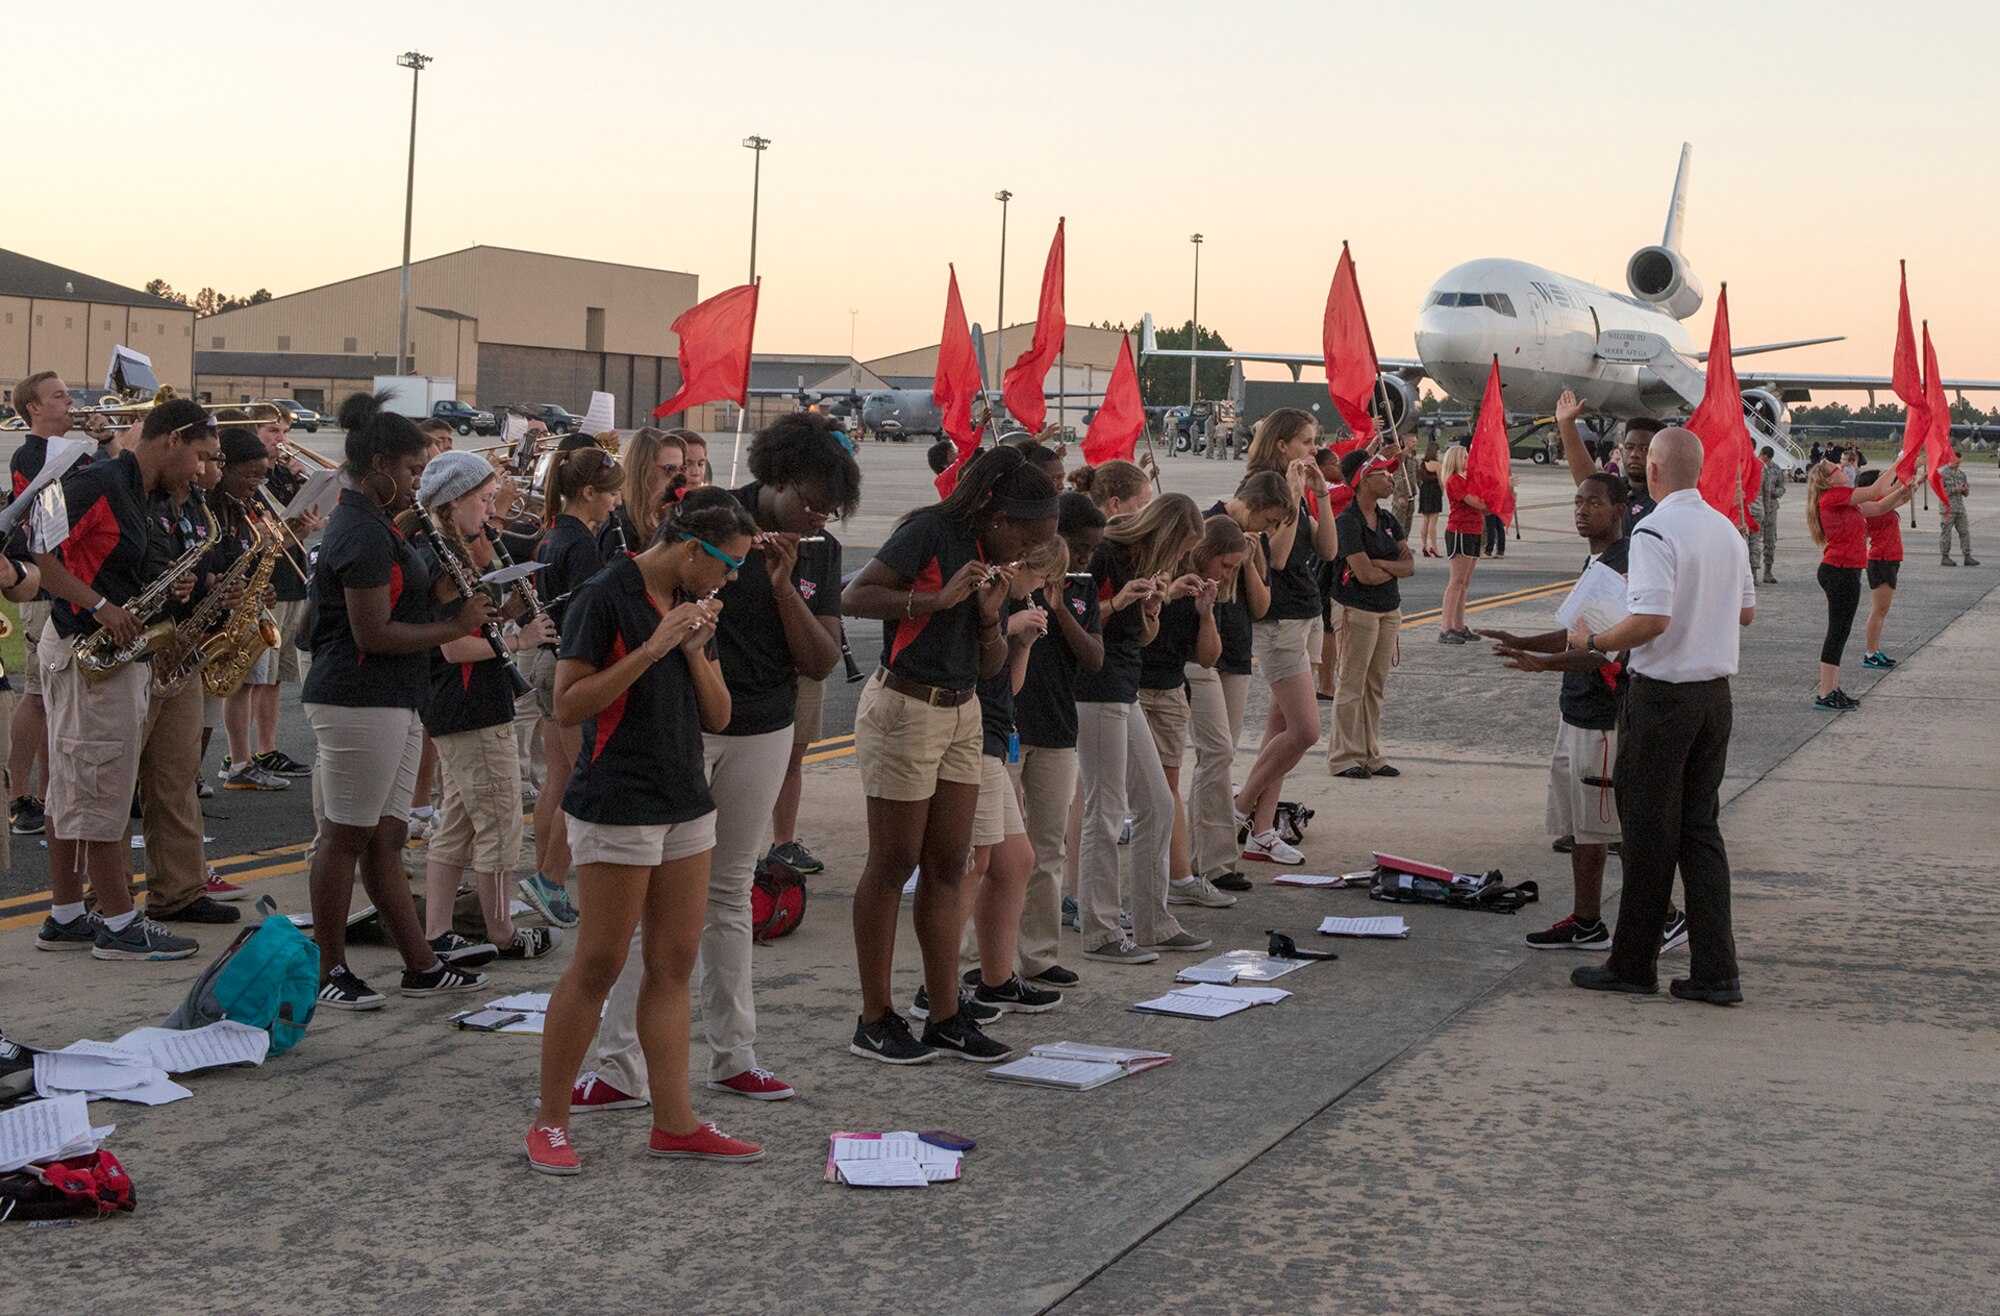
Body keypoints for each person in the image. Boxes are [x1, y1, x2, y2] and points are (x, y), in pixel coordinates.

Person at [574, 413, 857, 1113]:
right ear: (781, 479)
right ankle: (617, 1067)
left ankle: (736, 1056)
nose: (819, 515)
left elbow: (820, 662)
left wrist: (785, 581)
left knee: (730, 894)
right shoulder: (712, 520)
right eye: (812, 501)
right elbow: (646, 588)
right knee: (650, 905)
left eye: (829, 509)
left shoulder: (814, 549)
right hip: (685, 729)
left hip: (763, 729)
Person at [526, 489, 763, 1175]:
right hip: (616, 801)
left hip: (685, 799)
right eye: (728, 565)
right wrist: (655, 648)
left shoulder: (694, 609)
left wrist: (693, 650)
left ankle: (676, 1121)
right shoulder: (607, 595)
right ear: (694, 550)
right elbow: (569, 704)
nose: (732, 580)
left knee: (673, 963)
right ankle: (549, 1121)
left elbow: (719, 715)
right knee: (598, 963)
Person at [840, 446, 1057, 1064]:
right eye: (1024, 536)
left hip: (965, 712)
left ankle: (945, 1015)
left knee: (948, 862)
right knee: (893, 861)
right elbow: (855, 597)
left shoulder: (994, 556)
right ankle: (875, 1018)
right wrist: (933, 603)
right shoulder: (928, 531)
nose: (1026, 554)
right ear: (994, 510)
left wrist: (990, 619)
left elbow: (990, 667)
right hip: (904, 707)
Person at [301, 392, 496, 1010]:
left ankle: (420, 964)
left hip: (392, 696)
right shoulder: (359, 528)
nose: (418, 483)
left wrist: (459, 599)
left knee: (384, 838)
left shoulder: (379, 524)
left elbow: (400, 608)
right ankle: (328, 968)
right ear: (380, 464)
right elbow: (372, 633)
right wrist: (456, 621)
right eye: (413, 471)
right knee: (343, 837)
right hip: (360, 697)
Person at [1568, 428, 1755, 1006]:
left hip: (1663, 696)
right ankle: (1716, 971)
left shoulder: (1654, 530)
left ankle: (1632, 963)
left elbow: (1650, 620)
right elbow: (1745, 612)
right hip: (1713, 698)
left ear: (1651, 470)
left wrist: (1596, 639)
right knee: (1700, 834)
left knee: (1648, 836)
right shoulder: (1726, 529)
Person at [30, 398, 213, 961]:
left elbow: (109, 556)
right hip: (89, 650)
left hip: (102, 651)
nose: (203, 472)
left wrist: (167, 585)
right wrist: (102, 606)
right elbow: (36, 547)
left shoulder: (143, 492)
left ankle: (65, 915)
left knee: (71, 788)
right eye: (201, 457)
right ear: (172, 439)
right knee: (103, 791)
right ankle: (118, 924)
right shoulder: (102, 480)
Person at [1481, 473, 1682, 955]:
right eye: (1576, 501)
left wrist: (1543, 663)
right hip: (1576, 711)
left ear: (1619, 511)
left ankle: (1669, 916)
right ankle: (1588, 923)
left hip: (1603, 717)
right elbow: (1576, 632)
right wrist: (1522, 642)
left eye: (1593, 502)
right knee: (1585, 830)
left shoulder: (1624, 564)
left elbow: (1603, 651)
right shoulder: (1597, 559)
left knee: (1617, 827)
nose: (1580, 509)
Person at [406, 451, 560, 967]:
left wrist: (511, 609)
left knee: (460, 823)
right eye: (484, 500)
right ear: (453, 502)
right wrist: (519, 640)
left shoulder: (452, 550)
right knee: (498, 821)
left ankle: (440, 930)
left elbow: (474, 628)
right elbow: (452, 646)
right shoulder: (441, 559)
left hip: (465, 703)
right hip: (468, 703)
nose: (492, 512)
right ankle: (501, 930)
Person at [1074, 492, 1211, 964]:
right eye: (1179, 547)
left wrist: (1153, 606)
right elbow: (1077, 616)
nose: (1177, 558)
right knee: (1106, 809)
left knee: (1156, 802)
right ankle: (1100, 928)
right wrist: (1118, 601)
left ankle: (1153, 920)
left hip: (1123, 684)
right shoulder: (1108, 554)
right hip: (1096, 688)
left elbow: (1141, 636)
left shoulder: (1142, 563)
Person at [952, 535, 1069, 1018]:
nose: (1040, 589)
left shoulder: (1016, 604)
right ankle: (939, 984)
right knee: (973, 864)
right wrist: (1008, 623)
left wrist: (1022, 644)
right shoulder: (993, 600)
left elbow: (1010, 684)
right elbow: (976, 662)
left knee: (1016, 859)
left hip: (996, 732)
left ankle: (996, 978)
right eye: (1040, 578)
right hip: (972, 737)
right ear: (1022, 566)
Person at [518, 447, 626, 929]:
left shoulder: (550, 537)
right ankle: (551, 881)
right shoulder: (581, 543)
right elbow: (589, 613)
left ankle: (544, 873)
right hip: (567, 665)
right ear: (588, 493)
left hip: (545, 662)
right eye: (611, 493)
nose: (616, 503)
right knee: (578, 780)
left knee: (557, 779)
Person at [1235, 409, 1343, 864]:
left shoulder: (1299, 492)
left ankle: (1261, 830)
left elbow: (1328, 550)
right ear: (1281, 445)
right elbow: (1274, 560)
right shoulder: (1263, 489)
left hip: (1306, 613)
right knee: (1306, 730)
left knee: (1280, 727)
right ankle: (1236, 810)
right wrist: (1295, 498)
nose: (1313, 449)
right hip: (1277, 619)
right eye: (1305, 441)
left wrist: (1321, 498)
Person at [1010, 492, 1105, 987]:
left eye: (1091, 552)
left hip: (1057, 726)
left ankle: (1039, 953)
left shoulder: (1080, 589)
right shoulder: (1013, 578)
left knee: (1049, 848)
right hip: (1007, 724)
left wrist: (1060, 608)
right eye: (1079, 548)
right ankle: (984, 958)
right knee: (996, 852)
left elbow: (1093, 658)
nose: (1087, 559)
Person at [8, 371, 100, 838]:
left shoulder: (78, 453)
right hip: (43, 582)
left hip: (73, 578)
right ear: (34, 409)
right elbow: (51, 511)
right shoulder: (31, 454)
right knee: (38, 694)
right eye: (59, 396)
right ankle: (18, 796)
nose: (71, 402)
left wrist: (110, 445)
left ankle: (49, 794)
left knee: (57, 698)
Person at [1141, 516, 1244, 907]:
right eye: (1227, 564)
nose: (1228, 573)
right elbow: (1136, 626)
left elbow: (1207, 657)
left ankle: (1180, 877)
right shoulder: (1163, 571)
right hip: (1135, 684)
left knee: (1167, 786)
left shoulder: (1205, 589)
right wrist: (1166, 596)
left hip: (1170, 687)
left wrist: (1206, 613)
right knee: (1117, 793)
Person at [1190, 474, 1283, 894]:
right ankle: (1204, 858)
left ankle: (1215, 857)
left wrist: (1250, 561)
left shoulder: (1253, 543)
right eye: (1268, 519)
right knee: (1215, 753)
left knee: (1222, 754)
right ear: (1250, 504)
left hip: (1237, 651)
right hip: (1203, 651)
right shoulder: (1210, 524)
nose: (1268, 529)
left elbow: (1262, 606)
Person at [227, 409, 322, 786]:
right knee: (248, 678)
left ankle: (265, 749)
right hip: (261, 587)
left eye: (284, 431)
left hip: (288, 581)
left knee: (273, 678)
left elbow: (295, 529)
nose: (281, 438)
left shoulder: (281, 475)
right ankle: (238, 759)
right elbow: (261, 538)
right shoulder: (249, 481)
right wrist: (296, 526)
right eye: (272, 431)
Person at [1327, 451, 1414, 778]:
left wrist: (1381, 565)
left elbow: (1410, 567)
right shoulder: (1347, 522)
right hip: (1356, 608)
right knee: (1351, 684)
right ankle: (1343, 757)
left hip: (1388, 609)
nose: (1390, 477)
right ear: (1362, 479)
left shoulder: (1389, 520)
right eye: (1382, 472)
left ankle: (1370, 753)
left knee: (1374, 685)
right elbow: (1364, 575)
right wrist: (1391, 568)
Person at [1805, 460, 1903, 711]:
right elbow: (1874, 491)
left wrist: (1904, 489)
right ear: (1828, 480)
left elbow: (1880, 505)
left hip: (1844, 570)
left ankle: (1832, 689)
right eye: (1835, 469)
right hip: (1839, 571)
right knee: (1837, 633)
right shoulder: (1832, 496)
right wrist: (1899, 463)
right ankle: (1826, 692)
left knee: (1841, 632)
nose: (1840, 468)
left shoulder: (1843, 500)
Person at [597, 428, 684, 558]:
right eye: (669, 469)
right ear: (644, 470)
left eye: (681, 469)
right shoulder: (620, 524)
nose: (678, 478)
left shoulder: (664, 516)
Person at [1860, 471, 1914, 669]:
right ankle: (1870, 652)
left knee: (1882, 610)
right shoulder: (1873, 506)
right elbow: (1896, 497)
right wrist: (1904, 483)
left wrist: (1914, 482)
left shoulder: (1880, 502)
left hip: (1889, 558)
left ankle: (1874, 650)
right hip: (1881, 558)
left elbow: (1903, 498)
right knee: (1879, 610)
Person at [1438, 443, 1484, 642]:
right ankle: (1445, 627)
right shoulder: (1455, 480)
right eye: (1465, 457)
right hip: (1460, 530)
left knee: (1464, 582)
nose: (1468, 461)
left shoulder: (1468, 480)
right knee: (1456, 582)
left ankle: (1458, 624)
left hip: (1473, 530)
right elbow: (1476, 502)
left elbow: (1485, 507)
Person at [1748, 445, 1784, 584]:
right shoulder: (1758, 467)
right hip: (1759, 508)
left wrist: (1776, 494)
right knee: (1753, 541)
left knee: (1769, 540)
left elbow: (1780, 487)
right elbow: (1766, 491)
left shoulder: (1774, 469)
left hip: (1768, 509)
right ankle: (1752, 573)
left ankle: (1767, 571)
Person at [1939, 453, 1976, 565]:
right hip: (1947, 508)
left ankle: (1967, 556)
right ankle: (1945, 557)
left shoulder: (1961, 475)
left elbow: (1967, 491)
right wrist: (1956, 489)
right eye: (1956, 463)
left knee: (1964, 531)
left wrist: (1965, 490)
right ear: (1950, 460)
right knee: (1946, 532)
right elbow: (1940, 491)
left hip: (1960, 508)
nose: (1958, 465)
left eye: (1960, 463)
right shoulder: (1942, 474)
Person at [1416, 438, 1445, 558]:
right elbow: (1440, 480)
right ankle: (1434, 546)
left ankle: (1424, 545)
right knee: (1433, 520)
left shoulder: (1422, 464)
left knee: (1425, 519)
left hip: (1424, 491)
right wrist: (1442, 491)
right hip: (1434, 492)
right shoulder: (1437, 464)